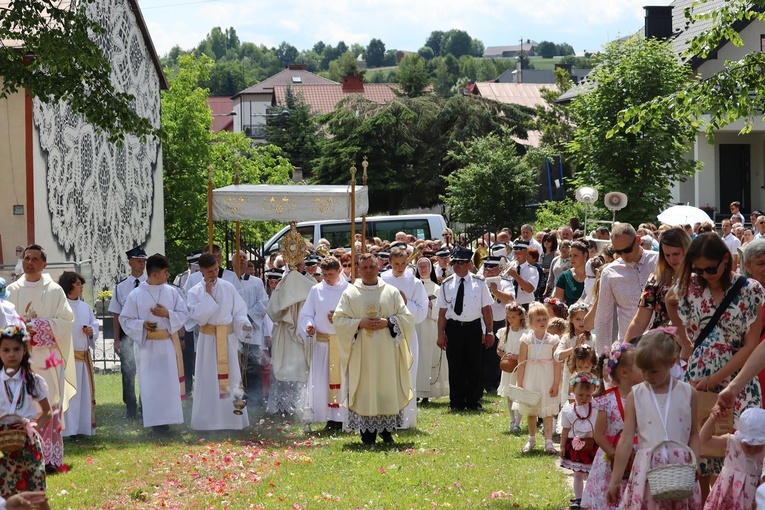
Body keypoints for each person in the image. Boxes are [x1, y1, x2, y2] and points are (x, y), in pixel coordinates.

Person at [669, 232, 763, 492]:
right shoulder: (692, 286)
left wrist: (717, 378)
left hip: (739, 378)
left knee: (737, 453)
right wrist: (687, 341)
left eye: (710, 268)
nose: (705, 274)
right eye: (698, 270)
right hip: (699, 374)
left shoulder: (750, 289)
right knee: (697, 452)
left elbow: (751, 345)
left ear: (726, 259)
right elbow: (670, 301)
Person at [606, 328, 702, 509]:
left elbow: (694, 434)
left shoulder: (689, 393)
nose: (647, 376)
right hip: (647, 472)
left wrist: (696, 460)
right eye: (643, 371)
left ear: (671, 363)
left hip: (681, 470)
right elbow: (626, 440)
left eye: (654, 371)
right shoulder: (636, 395)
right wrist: (615, 480)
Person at [333, 253, 414, 445]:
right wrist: (359, 323)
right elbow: (339, 319)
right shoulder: (350, 293)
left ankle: (386, 431)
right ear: (358, 270)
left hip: (387, 352)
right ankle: (366, 433)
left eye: (372, 267)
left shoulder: (391, 291)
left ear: (378, 267)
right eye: (364, 268)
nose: (368, 271)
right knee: (365, 388)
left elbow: (407, 318)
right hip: (362, 352)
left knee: (386, 387)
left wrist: (389, 322)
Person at [6, 244, 74, 471]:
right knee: (19, 402)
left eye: (35, 259)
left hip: (46, 358)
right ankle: (19, 455)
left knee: (47, 400)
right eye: (27, 258)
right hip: (18, 359)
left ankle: (48, 459)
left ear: (44, 264)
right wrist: (19, 329)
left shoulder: (54, 291)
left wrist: (38, 326)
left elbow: (66, 321)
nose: (29, 263)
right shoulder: (12, 290)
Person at [119, 254, 189, 435]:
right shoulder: (136, 294)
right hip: (147, 346)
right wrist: (141, 324)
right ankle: (155, 422)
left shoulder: (172, 292)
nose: (168, 275)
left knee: (167, 383)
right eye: (166, 272)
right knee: (150, 383)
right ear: (155, 274)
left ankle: (168, 420)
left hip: (166, 344)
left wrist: (167, 314)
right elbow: (125, 319)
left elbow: (183, 313)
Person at [186, 253, 251, 431]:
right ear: (201, 272)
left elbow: (239, 311)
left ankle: (232, 420)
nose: (214, 274)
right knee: (208, 378)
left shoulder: (228, 287)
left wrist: (244, 324)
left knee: (232, 377)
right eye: (209, 272)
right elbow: (199, 318)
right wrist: (207, 294)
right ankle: (208, 421)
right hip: (208, 340)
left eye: (215, 270)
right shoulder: (195, 292)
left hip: (228, 339)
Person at [581, 343, 642, 510]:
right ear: (624, 372)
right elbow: (599, 434)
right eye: (640, 367)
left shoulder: (645, 397)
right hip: (610, 460)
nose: (646, 369)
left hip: (637, 458)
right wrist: (615, 455)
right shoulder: (607, 400)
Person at [436, 246, 494, 411]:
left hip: (474, 327)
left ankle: (473, 401)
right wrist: (440, 334)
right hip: (454, 328)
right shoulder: (446, 284)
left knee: (474, 365)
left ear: (469, 263)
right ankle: (457, 401)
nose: (457, 265)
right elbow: (442, 312)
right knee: (455, 366)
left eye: (461, 262)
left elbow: (487, 310)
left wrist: (489, 332)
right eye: (454, 262)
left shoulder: (479, 283)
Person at [298, 256, 349, 431]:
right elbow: (306, 315)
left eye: (331, 274)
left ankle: (343, 418)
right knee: (322, 381)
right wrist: (309, 326)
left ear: (340, 271)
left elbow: (356, 316)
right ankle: (327, 417)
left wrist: (340, 319)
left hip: (342, 344)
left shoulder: (349, 290)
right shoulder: (316, 290)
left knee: (343, 381)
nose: (327, 278)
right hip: (322, 344)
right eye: (324, 274)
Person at [0, 325, 51, 498]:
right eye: (6, 350)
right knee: (4, 488)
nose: (12, 354)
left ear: (24, 351)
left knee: (33, 485)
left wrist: (33, 425)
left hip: (27, 440)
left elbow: (47, 411)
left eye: (16, 349)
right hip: (1, 441)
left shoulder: (33, 380)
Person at [381, 246, 428, 429]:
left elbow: (423, 311)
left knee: (407, 373)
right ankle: (386, 416)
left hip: (407, 334)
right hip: (384, 333)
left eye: (403, 264)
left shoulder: (414, 283)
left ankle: (405, 419)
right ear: (390, 262)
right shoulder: (381, 280)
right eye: (396, 264)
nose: (400, 268)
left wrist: (406, 302)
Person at [594, 223, 658, 351]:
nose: (624, 255)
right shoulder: (609, 273)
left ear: (638, 240)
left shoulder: (659, 261)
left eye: (628, 250)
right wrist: (603, 357)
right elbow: (603, 319)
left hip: (662, 343)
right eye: (618, 251)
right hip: (630, 347)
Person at [624, 227, 691, 345]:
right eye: (667, 255)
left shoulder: (701, 278)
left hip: (693, 344)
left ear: (687, 250)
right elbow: (639, 321)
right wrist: (623, 348)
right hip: (662, 347)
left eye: (676, 253)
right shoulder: (656, 280)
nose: (672, 259)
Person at [516, 304, 561, 454]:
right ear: (530, 321)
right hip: (531, 377)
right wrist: (520, 384)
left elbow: (556, 363)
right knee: (531, 411)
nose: (542, 322)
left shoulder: (553, 340)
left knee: (547, 411)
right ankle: (531, 439)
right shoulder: (526, 339)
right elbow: (521, 363)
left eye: (544, 319)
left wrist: (556, 383)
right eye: (538, 320)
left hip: (547, 377)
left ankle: (549, 442)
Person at [108, 246, 147, 419]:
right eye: (139, 261)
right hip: (127, 335)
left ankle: (146, 405)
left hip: (146, 334)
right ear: (130, 262)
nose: (142, 264)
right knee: (128, 372)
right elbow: (116, 314)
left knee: (146, 371)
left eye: (144, 261)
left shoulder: (151, 285)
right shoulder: (121, 287)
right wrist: (117, 339)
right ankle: (130, 408)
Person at [700, 406, 765, 510]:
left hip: (753, 499)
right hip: (729, 495)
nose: (752, 450)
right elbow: (704, 440)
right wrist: (712, 419)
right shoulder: (733, 442)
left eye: (758, 446)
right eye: (748, 445)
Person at [59, 271, 98, 437]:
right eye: (77, 284)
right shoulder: (61, 307)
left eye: (81, 284)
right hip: (68, 360)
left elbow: (94, 324)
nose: (81, 287)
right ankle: (68, 430)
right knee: (70, 397)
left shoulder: (85, 307)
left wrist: (91, 331)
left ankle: (82, 428)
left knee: (83, 396)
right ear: (68, 288)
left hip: (83, 358)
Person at [233, 251, 269, 410]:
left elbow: (263, 303)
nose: (241, 260)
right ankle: (235, 400)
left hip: (251, 331)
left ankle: (255, 402)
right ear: (232, 261)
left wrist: (246, 317)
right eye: (238, 258)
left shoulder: (256, 282)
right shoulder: (227, 280)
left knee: (252, 367)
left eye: (244, 258)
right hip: (233, 331)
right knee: (235, 367)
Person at [560, 372, 599, 509]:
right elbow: (565, 429)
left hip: (593, 445)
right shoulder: (569, 410)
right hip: (575, 445)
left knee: (592, 473)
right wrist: (562, 446)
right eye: (580, 395)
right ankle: (579, 498)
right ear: (573, 391)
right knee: (578, 473)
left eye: (588, 395)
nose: (584, 398)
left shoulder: (596, 407)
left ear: (594, 391)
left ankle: (590, 497)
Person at [414, 257, 448, 403]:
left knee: (428, 358)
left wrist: (429, 305)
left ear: (430, 268)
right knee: (416, 358)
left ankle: (427, 394)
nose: (423, 269)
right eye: (420, 266)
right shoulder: (414, 286)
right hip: (415, 327)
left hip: (429, 327)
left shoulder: (436, 288)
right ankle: (414, 391)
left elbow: (440, 311)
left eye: (425, 266)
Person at [483, 256, 515, 393]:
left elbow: (510, 300)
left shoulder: (505, 283)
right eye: (487, 270)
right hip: (481, 322)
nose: (490, 273)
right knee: (482, 354)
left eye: (493, 270)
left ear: (499, 270)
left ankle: (492, 383)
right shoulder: (478, 282)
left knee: (495, 355)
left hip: (499, 322)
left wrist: (495, 291)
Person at [554, 303, 595, 406]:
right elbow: (557, 356)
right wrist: (574, 347)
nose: (581, 322)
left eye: (584, 318)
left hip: (589, 382)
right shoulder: (567, 338)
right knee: (570, 408)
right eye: (578, 319)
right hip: (570, 381)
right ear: (571, 319)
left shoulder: (592, 338)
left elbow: (597, 360)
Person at [497, 303, 527, 432]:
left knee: (519, 393)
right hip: (509, 368)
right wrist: (505, 356)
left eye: (514, 316)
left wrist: (518, 356)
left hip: (520, 367)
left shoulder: (526, 333)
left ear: (521, 316)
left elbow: (529, 351)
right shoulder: (504, 332)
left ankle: (518, 422)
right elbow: (499, 349)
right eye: (509, 317)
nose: (511, 319)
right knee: (509, 394)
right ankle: (512, 419)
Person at [506, 240, 539, 309]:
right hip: (510, 305)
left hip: (526, 305)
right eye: (515, 253)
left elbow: (529, 289)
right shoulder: (509, 267)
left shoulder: (532, 270)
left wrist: (516, 276)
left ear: (526, 253)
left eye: (520, 253)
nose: (517, 255)